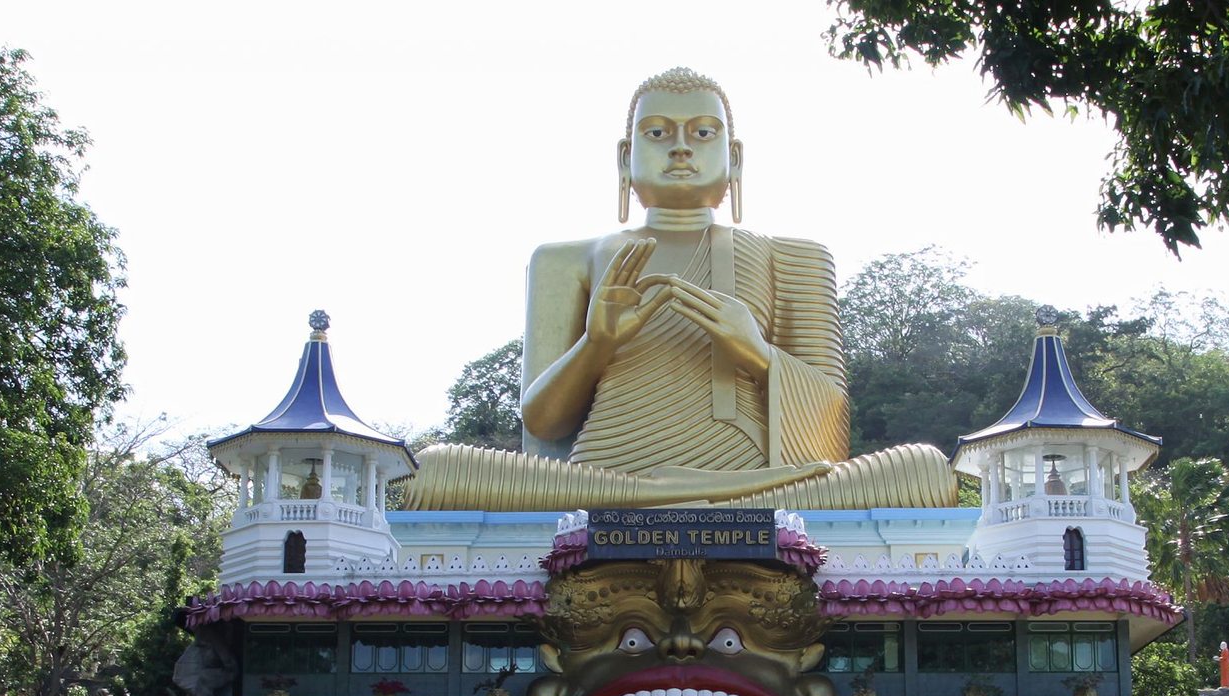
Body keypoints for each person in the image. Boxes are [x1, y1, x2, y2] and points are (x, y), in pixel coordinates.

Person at [404, 68, 955, 511]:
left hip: (766, 485)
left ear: (734, 158)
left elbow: (829, 427)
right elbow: (544, 425)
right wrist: (595, 345)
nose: (682, 148)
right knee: (437, 470)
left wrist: (759, 355)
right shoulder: (564, 259)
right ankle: (668, 499)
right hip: (598, 481)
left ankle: (669, 501)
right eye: (659, 132)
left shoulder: (795, 256)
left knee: (924, 471)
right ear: (625, 157)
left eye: (703, 133)